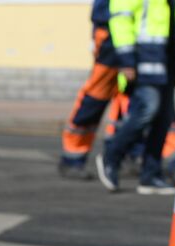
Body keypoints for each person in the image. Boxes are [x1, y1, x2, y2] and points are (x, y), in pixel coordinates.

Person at [96, 0, 175, 193]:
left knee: (163, 119)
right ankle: (111, 157)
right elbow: (120, 20)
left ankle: (150, 175)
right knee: (147, 109)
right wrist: (126, 59)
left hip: (171, 58)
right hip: (144, 58)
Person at [59, 0, 123, 178]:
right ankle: (73, 157)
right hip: (111, 32)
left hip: (136, 34)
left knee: (130, 98)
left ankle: (125, 155)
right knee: (97, 95)